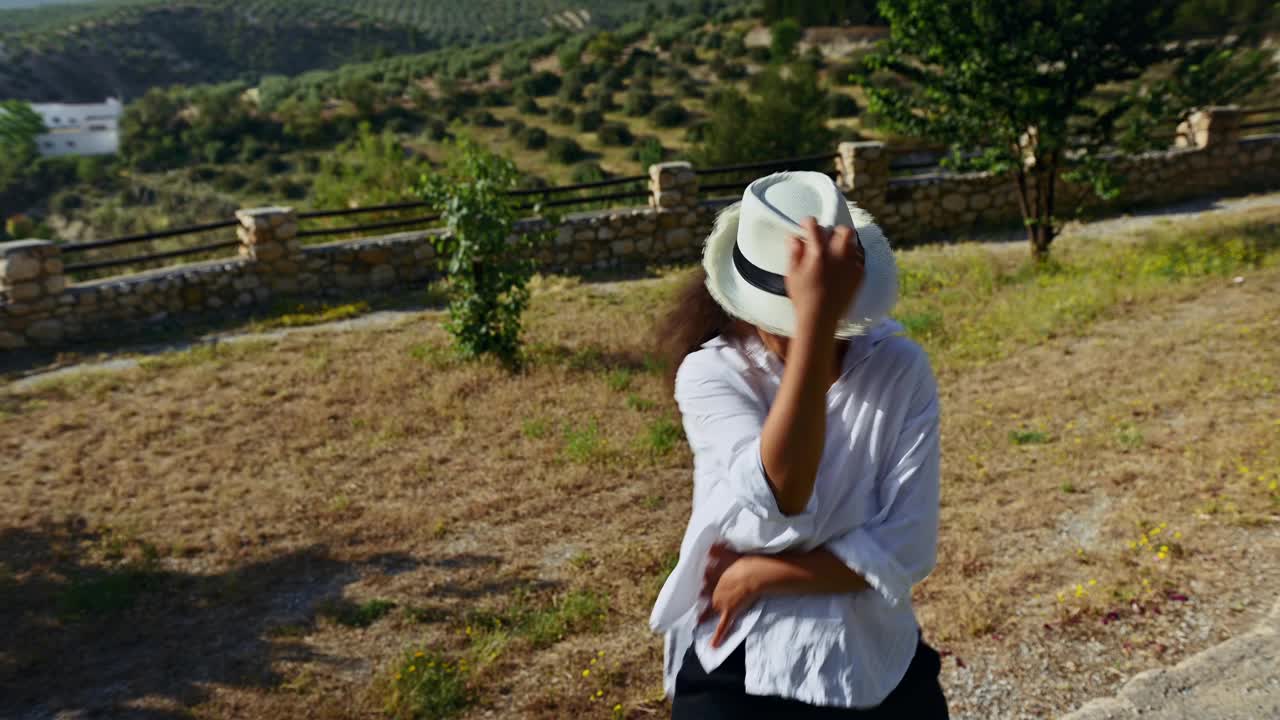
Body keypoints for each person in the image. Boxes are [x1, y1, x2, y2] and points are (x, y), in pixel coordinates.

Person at [650, 171, 948, 718]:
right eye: (786, 318)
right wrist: (816, 318)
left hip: (870, 654)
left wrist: (763, 572)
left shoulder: (898, 367)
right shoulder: (713, 374)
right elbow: (782, 490)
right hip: (743, 655)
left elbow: (909, 549)